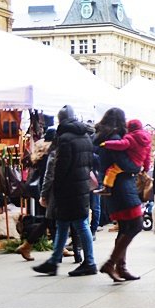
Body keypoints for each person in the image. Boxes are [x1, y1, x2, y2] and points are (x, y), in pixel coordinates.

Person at [32, 105, 97, 276]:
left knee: (79, 224)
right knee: (64, 224)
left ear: (61, 120)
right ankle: (54, 261)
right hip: (81, 186)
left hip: (69, 189)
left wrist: (53, 191)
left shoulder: (65, 138)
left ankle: (89, 262)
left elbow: (59, 168)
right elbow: (90, 161)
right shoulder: (85, 135)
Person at [94, 108, 147, 281]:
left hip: (114, 187)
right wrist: (138, 167)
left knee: (125, 228)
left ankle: (120, 267)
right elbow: (128, 165)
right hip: (122, 187)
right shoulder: (115, 139)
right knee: (136, 224)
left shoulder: (103, 139)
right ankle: (111, 263)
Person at [15, 127, 57, 261]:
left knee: (51, 220)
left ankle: (57, 247)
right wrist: (45, 194)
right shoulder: (49, 155)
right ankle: (27, 245)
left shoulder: (40, 154)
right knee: (49, 220)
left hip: (42, 191)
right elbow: (49, 177)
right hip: (48, 192)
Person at [98, 118, 151, 192]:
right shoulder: (147, 141)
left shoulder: (131, 138)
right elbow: (147, 157)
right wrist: (146, 169)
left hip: (129, 163)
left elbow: (121, 144)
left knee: (112, 170)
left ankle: (106, 188)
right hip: (138, 166)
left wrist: (106, 144)